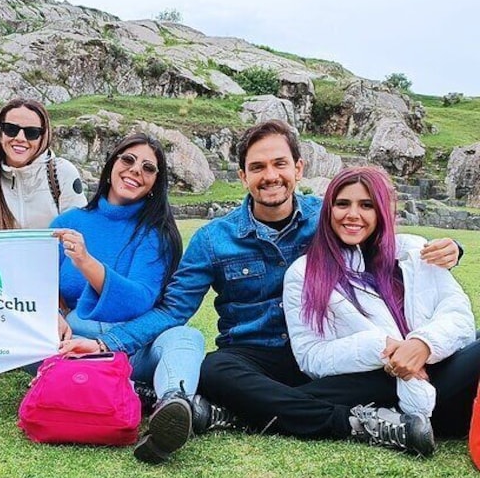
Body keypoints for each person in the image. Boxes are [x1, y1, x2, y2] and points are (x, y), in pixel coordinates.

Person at [61, 119, 467, 459]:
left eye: (279, 164)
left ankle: (237, 414)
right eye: (257, 167)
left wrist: (451, 249)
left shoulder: (326, 217)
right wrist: (107, 343)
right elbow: (173, 310)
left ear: (298, 168)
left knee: (388, 365)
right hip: (255, 356)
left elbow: (381, 239)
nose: (270, 176)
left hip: (327, 349)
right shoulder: (213, 240)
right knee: (214, 369)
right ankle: (355, 423)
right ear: (243, 176)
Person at [283, 166, 479, 453]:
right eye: (342, 204)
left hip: (440, 372)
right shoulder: (304, 273)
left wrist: (422, 344)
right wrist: (384, 348)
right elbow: (310, 356)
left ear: (382, 212)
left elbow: (457, 313)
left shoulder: (416, 251)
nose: (353, 214)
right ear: (328, 211)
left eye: (367, 205)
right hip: (386, 388)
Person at [50, 133, 205, 464]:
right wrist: (52, 314)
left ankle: (172, 405)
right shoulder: (67, 224)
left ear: (155, 183)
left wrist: (87, 263)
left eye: (148, 168)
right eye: (128, 160)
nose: (136, 170)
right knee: (37, 336)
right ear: (111, 165)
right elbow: (37, 285)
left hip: (135, 347)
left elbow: (139, 299)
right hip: (75, 344)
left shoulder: (156, 234)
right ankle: (135, 391)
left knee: (186, 337)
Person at [0, 98, 86, 230]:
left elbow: (79, 229)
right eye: (11, 129)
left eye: (31, 132)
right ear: (0, 134)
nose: (20, 138)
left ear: (42, 138)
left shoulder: (62, 173)